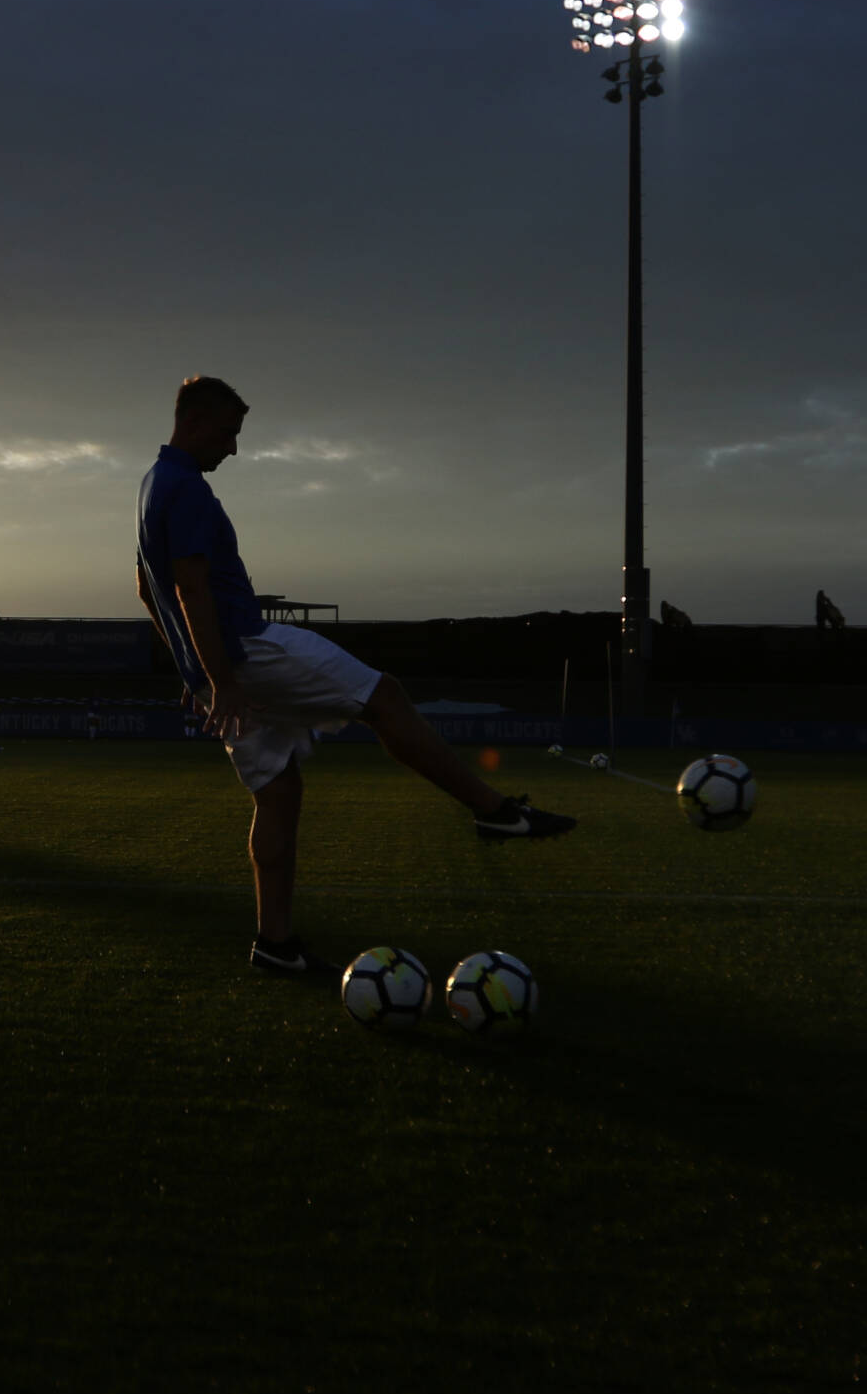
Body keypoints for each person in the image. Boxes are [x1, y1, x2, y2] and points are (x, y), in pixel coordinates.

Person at [136, 374, 575, 977]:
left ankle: (275, 944)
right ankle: (494, 811)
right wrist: (220, 675)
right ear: (198, 423)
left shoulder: (151, 484)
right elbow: (188, 590)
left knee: (278, 793)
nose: (233, 449)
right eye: (230, 435)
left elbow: (145, 588)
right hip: (248, 649)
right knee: (383, 695)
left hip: (223, 666)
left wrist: (194, 673)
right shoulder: (186, 488)